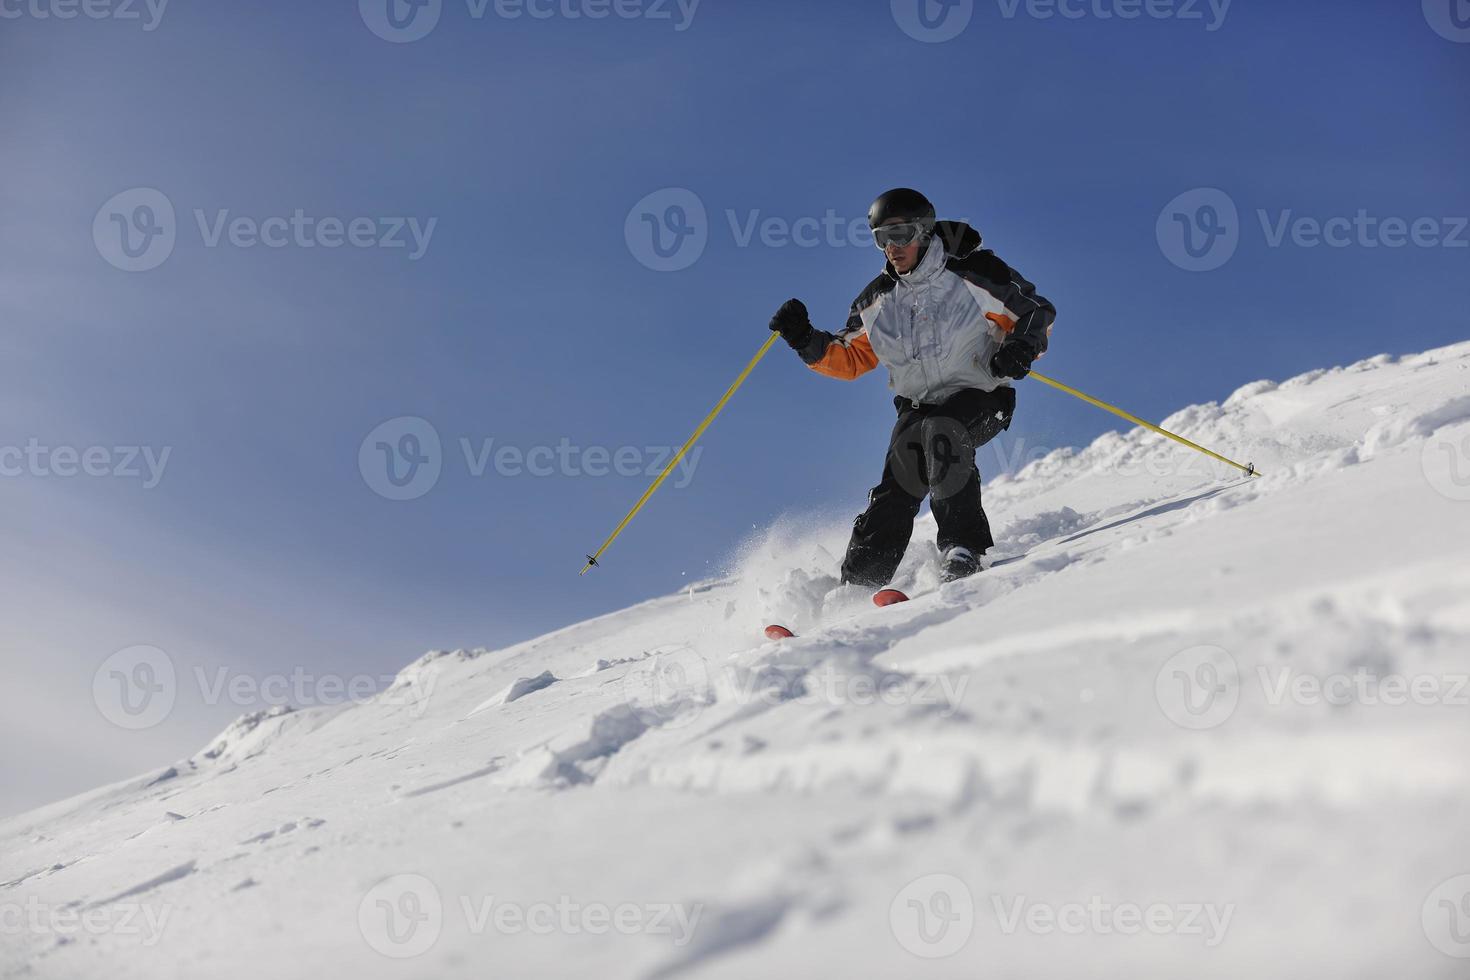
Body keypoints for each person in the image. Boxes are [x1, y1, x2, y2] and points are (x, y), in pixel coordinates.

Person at [769, 188, 1056, 586]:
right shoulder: (875, 301)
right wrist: (803, 339)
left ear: (923, 231)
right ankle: (860, 581)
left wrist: (1020, 348)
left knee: (945, 432)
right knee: (898, 482)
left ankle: (962, 548)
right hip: (917, 408)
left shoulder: (972, 272)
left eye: (900, 234)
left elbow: (1034, 311)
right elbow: (850, 358)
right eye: (881, 238)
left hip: (982, 396)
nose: (891, 247)